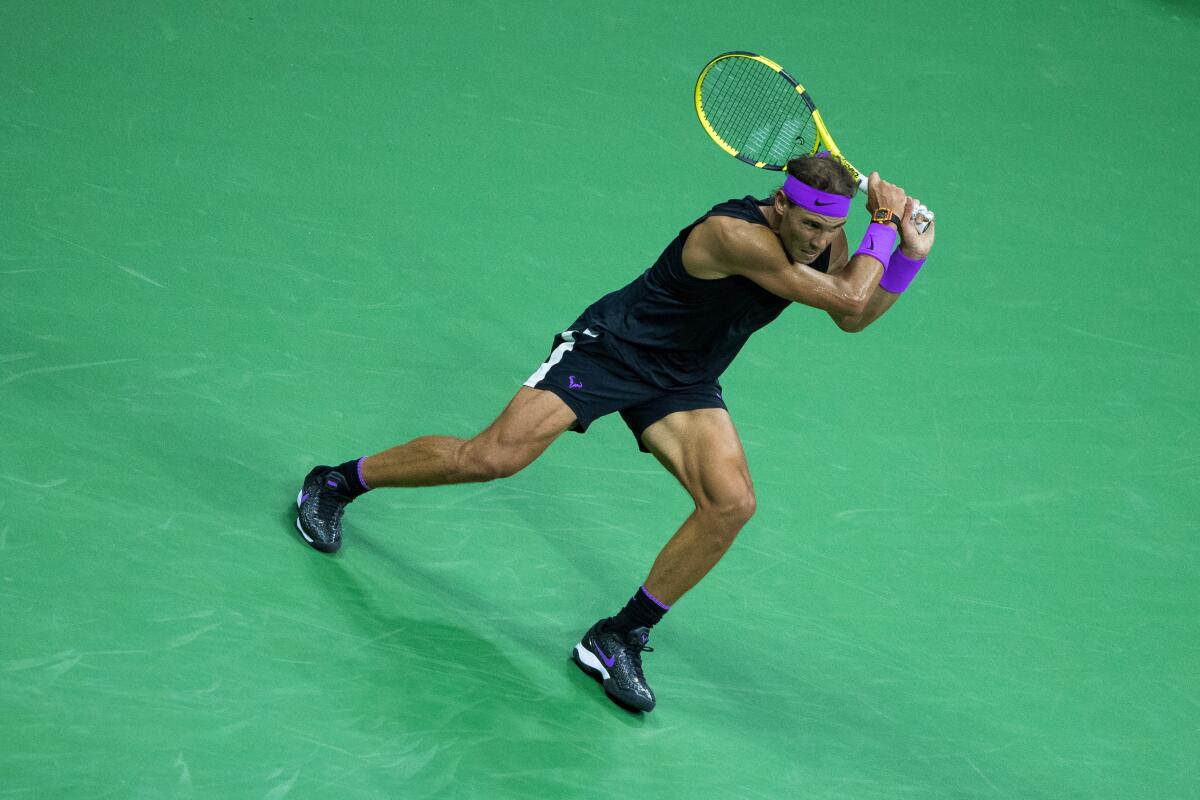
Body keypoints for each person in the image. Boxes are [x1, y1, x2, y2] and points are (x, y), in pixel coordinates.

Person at [294, 153, 936, 713]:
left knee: (731, 504)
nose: (821, 239)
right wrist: (884, 226)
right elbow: (849, 299)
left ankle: (618, 637)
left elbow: (853, 316)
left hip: (683, 380)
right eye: (811, 225)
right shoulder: (731, 232)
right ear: (779, 205)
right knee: (489, 458)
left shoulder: (823, 238)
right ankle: (334, 483)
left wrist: (907, 255)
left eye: (833, 228)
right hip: (610, 353)